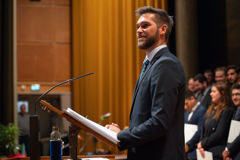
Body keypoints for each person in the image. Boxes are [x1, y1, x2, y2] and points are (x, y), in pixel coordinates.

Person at [106, 6, 186, 160]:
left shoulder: (166, 64)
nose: (138, 30)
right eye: (137, 27)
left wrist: (121, 135)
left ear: (162, 29)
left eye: (145, 25)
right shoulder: (152, 64)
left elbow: (159, 122)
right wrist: (119, 133)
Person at [197, 82, 233, 160]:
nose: (210, 94)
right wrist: (200, 145)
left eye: (213, 91)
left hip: (216, 151)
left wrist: (203, 144)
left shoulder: (226, 111)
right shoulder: (211, 109)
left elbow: (219, 134)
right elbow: (203, 130)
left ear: (222, 93)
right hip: (205, 150)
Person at [184, 90, 207, 160]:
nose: (185, 107)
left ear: (192, 99)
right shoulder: (187, 112)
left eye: (186, 103)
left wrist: (188, 144)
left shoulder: (202, 110)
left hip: (194, 149)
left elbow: (200, 131)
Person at [222, 83, 240, 160]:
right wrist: (228, 151)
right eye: (232, 95)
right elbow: (232, 135)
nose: (234, 97)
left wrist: (228, 150)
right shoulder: (235, 111)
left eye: (237, 94)